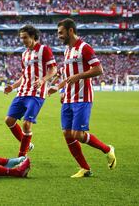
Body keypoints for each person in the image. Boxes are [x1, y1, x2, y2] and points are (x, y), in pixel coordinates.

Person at [48, 18, 116, 178]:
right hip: (68, 98)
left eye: (61, 33)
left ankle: (107, 149)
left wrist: (79, 75)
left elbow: (99, 69)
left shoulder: (84, 48)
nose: (59, 36)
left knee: (78, 134)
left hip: (82, 97)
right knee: (67, 133)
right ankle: (85, 168)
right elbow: (67, 75)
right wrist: (58, 88)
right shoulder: (67, 51)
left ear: (70, 31)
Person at [4, 25, 57, 157]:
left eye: (25, 37)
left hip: (36, 94)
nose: (23, 40)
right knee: (9, 121)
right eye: (21, 38)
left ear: (33, 36)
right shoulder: (24, 54)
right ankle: (27, 143)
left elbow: (53, 70)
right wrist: (13, 87)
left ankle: (22, 157)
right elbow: (24, 76)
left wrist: (42, 80)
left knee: (26, 125)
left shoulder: (44, 50)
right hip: (22, 92)